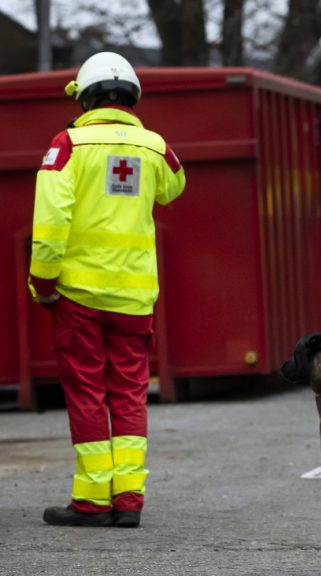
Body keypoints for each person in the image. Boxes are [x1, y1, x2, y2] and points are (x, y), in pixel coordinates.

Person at [29, 52, 186, 527]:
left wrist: (43, 281)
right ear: (131, 97)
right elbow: (175, 187)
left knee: (86, 393)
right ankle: (129, 502)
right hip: (134, 298)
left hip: (78, 294)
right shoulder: (154, 147)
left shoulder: (67, 145)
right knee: (130, 394)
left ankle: (93, 503)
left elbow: (50, 221)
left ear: (85, 97)